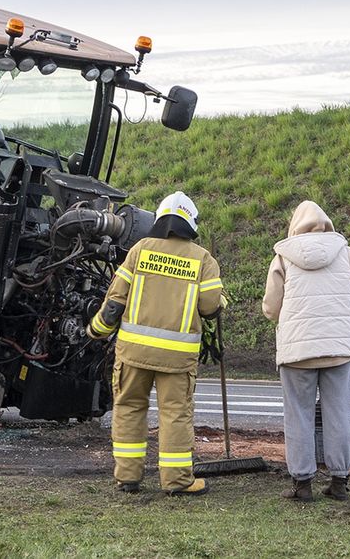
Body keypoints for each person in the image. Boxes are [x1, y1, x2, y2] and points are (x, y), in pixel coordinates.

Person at [88, 191, 223, 496]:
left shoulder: (140, 250)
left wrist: (96, 330)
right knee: (175, 414)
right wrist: (220, 303)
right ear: (191, 222)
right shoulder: (202, 258)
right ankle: (177, 481)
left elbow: (115, 302)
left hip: (133, 353)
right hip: (177, 358)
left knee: (129, 408)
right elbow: (210, 306)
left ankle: (127, 478)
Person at [262, 200, 350, 502]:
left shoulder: (283, 257)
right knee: (340, 413)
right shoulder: (347, 254)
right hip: (339, 348)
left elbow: (271, 307)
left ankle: (302, 483)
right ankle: (340, 480)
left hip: (298, 350)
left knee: (299, 415)